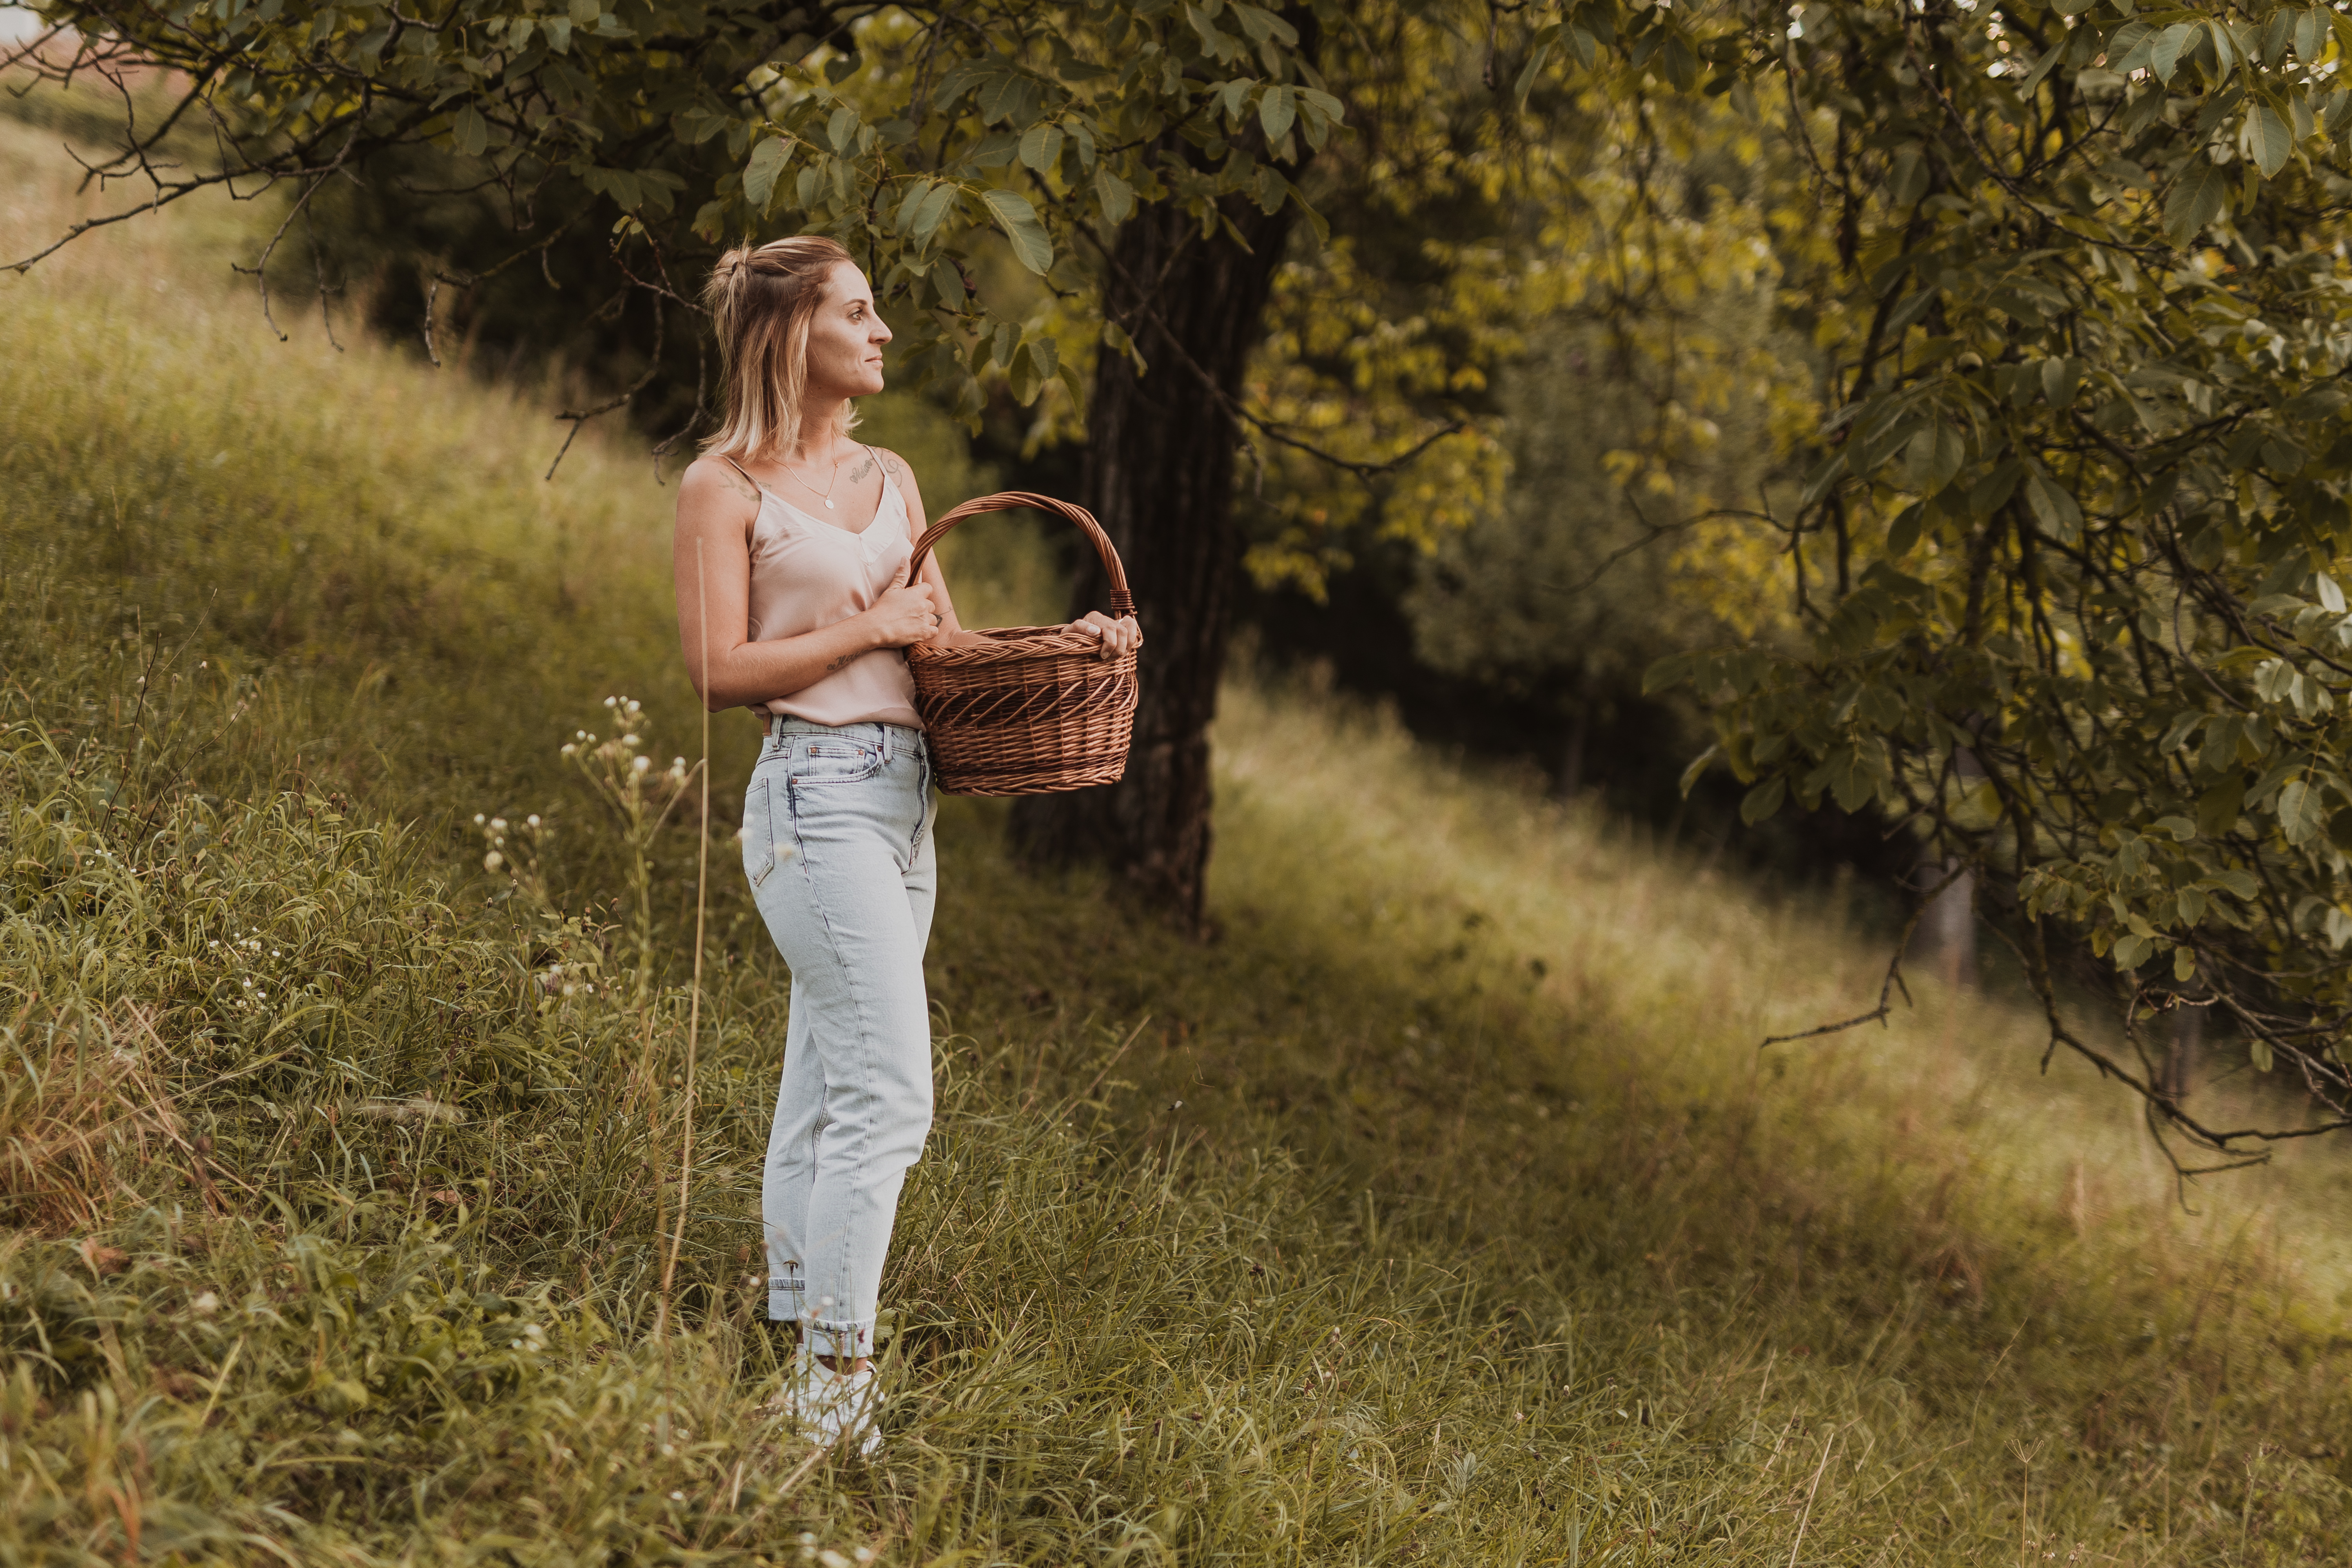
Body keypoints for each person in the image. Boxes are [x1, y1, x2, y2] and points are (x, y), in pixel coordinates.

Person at [671, 236, 1140, 1453]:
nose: (883, 333)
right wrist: (867, 624)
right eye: (860, 311)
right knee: (891, 1096)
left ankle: (784, 1349)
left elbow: (940, 645)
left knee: (827, 1094)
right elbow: (719, 669)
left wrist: (1071, 645)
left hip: (904, 798)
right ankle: (835, 1395)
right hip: (812, 796)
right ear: (792, 335)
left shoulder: (892, 473)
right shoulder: (724, 486)